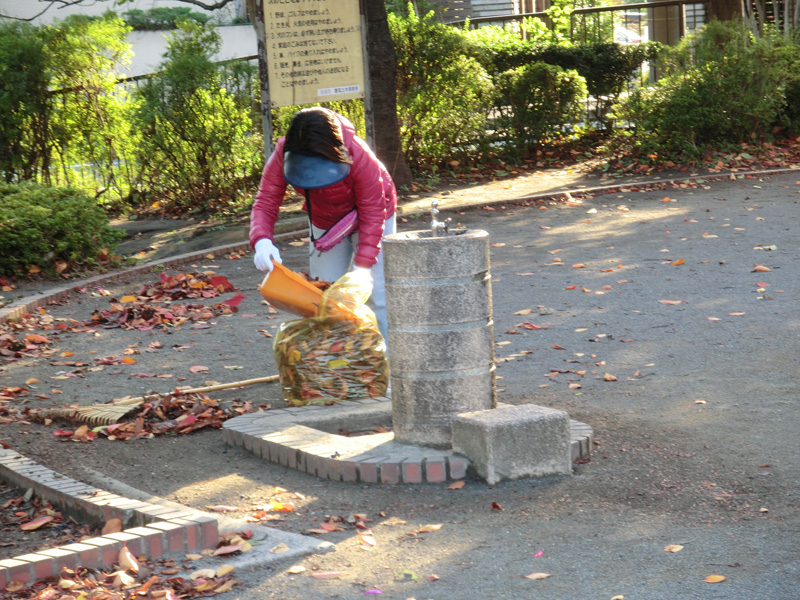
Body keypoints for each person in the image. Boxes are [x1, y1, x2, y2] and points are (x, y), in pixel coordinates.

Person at [250, 107, 397, 343]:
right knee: (323, 297)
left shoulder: (358, 154)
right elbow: (266, 200)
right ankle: (338, 361)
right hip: (326, 222)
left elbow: (373, 212)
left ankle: (381, 361)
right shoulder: (284, 152)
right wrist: (262, 240)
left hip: (375, 216)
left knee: (377, 293)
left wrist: (363, 267)